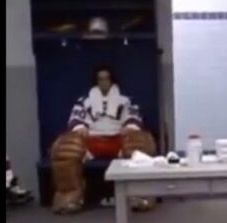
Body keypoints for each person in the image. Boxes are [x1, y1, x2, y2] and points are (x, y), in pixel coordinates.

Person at [50, 66, 157, 214]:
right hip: (92, 139)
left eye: (106, 78)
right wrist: (80, 127)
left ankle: (140, 195)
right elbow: (75, 118)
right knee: (66, 148)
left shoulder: (125, 100)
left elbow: (133, 117)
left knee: (139, 143)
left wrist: (130, 126)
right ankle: (69, 196)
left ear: (111, 80)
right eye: (100, 79)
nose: (103, 82)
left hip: (118, 139)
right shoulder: (84, 100)